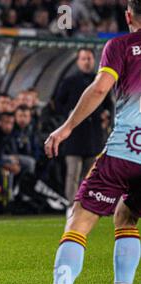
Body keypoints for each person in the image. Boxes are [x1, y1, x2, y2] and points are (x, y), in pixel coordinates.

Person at [45, 0, 141, 284]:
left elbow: (100, 88)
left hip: (124, 151)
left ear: (128, 16)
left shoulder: (120, 45)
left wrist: (67, 127)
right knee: (126, 216)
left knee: (79, 220)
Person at [55, 48, 113, 215]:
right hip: (73, 133)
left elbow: (108, 103)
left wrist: (106, 114)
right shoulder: (69, 81)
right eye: (83, 59)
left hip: (94, 134)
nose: (87, 62)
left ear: (93, 60)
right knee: (73, 172)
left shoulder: (100, 79)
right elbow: (58, 104)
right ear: (77, 61)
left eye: (89, 58)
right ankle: (70, 205)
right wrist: (71, 114)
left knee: (89, 173)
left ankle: (84, 204)